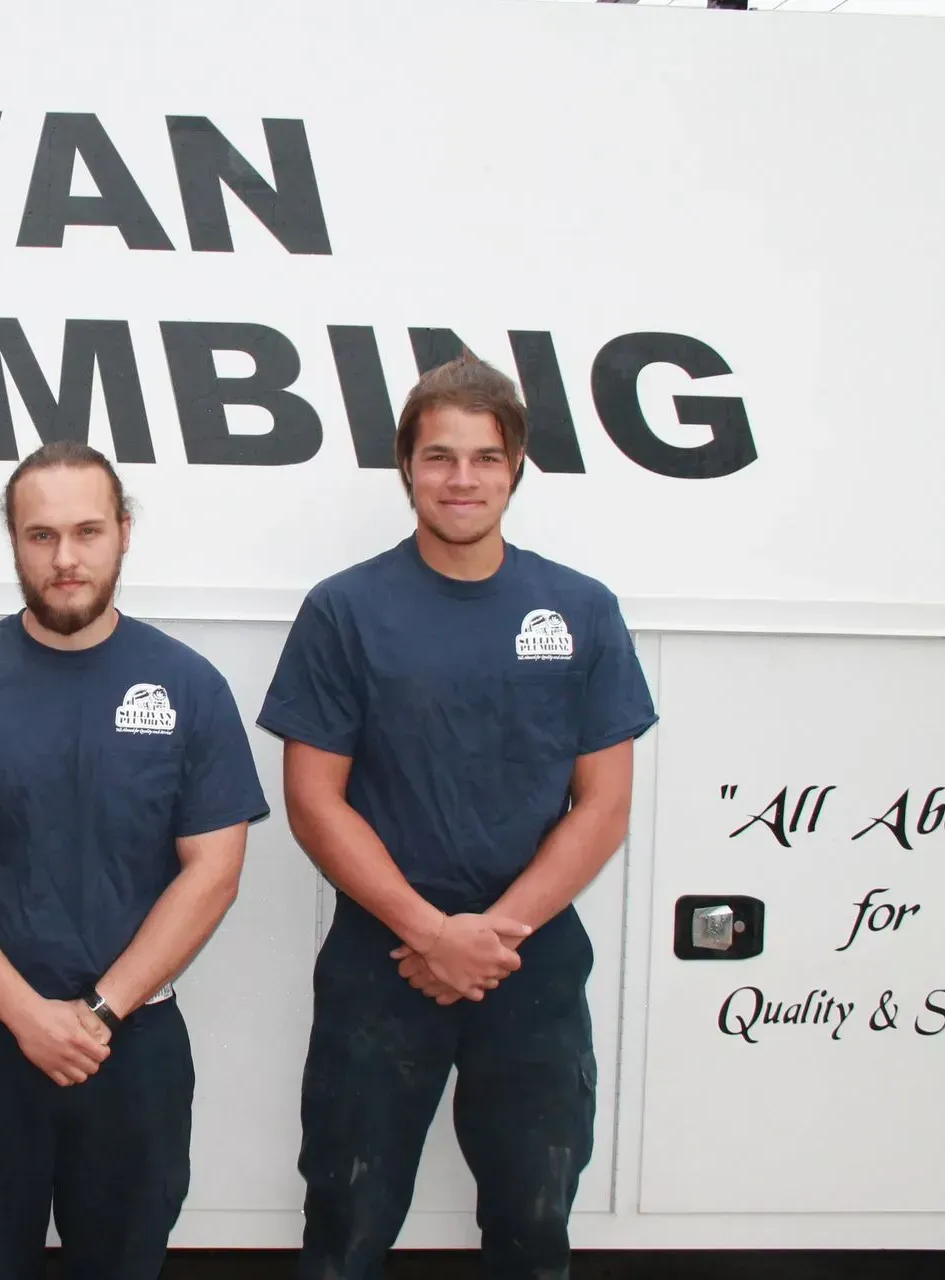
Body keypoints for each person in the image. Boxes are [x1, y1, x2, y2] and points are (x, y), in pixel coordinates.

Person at [257, 354, 658, 1280]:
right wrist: (430, 932)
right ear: (406, 467)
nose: (462, 479)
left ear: (516, 465)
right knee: (346, 1224)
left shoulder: (582, 610)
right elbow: (315, 802)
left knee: (531, 1227)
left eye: (484, 457)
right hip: (383, 958)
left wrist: (489, 939)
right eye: (440, 456)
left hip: (533, 960)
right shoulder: (345, 611)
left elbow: (603, 806)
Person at [0, 440, 269, 1279]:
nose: (66, 557)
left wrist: (99, 1013)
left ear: (124, 532)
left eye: (87, 530)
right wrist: (25, 1014)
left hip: (133, 1048)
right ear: (13, 542)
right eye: (40, 535)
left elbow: (214, 873)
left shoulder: (188, 687)